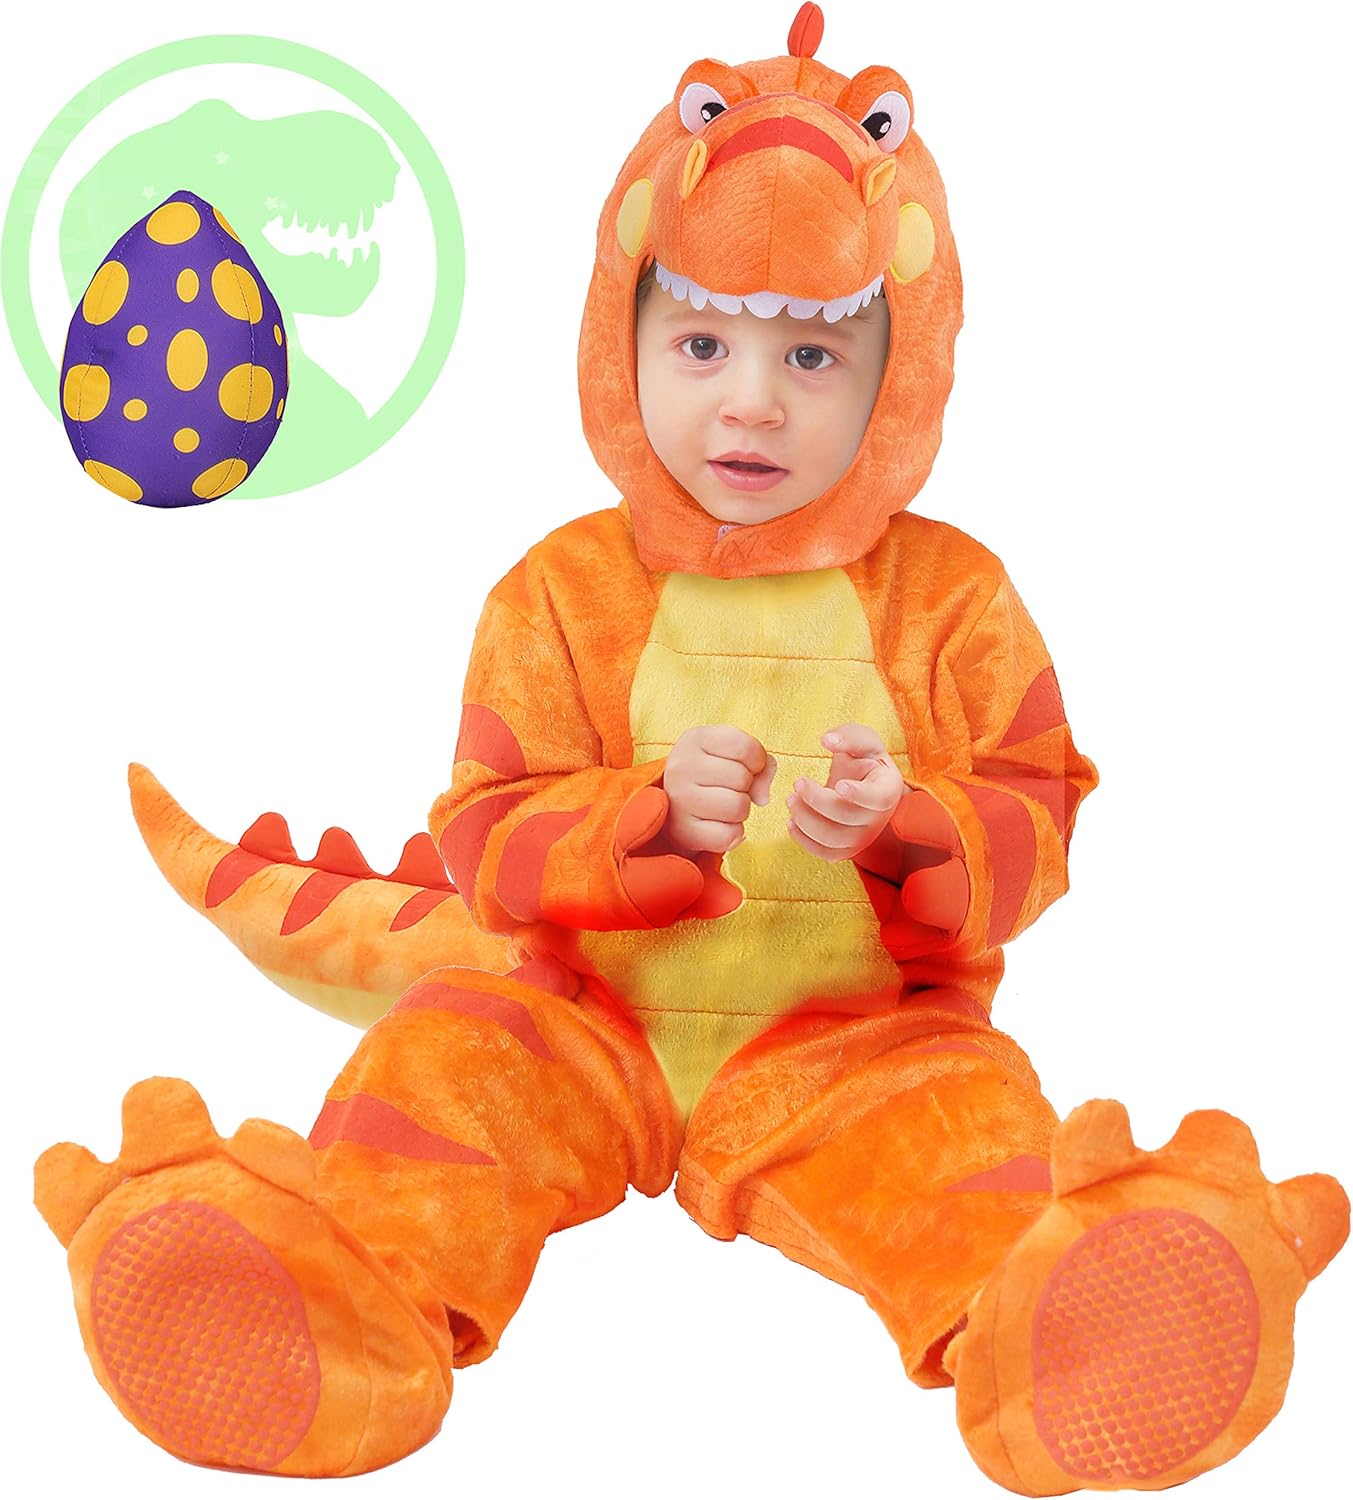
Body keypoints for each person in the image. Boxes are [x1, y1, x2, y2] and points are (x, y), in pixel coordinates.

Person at [34, 7, 1347, 1491]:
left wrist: (913, 827)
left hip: (857, 1043)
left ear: (902, 369)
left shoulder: (956, 598)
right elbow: (487, 825)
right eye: (705, 341)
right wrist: (638, 827)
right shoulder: (554, 592)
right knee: (443, 1066)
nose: (749, 401)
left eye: (813, 354)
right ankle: (342, 1306)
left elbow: (1039, 810)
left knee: (967, 1133)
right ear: (625, 335)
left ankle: (1055, 1327)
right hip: (574, 1013)